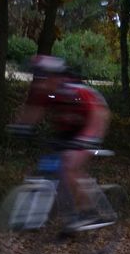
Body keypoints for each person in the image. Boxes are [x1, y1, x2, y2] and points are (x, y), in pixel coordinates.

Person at [8, 54, 112, 231]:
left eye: (44, 77)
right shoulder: (43, 92)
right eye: (37, 76)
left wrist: (85, 142)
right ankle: (68, 215)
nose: (39, 82)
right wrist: (21, 127)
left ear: (55, 76)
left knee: (69, 164)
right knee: (49, 168)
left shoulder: (75, 90)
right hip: (67, 130)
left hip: (91, 123)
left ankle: (88, 212)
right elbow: (33, 111)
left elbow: (97, 114)